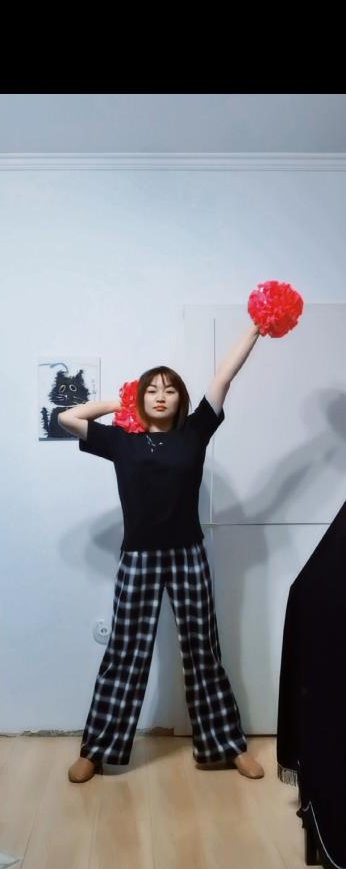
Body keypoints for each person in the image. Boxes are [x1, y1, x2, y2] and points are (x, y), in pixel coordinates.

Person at [59, 324, 265, 783]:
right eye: (151, 389)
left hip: (188, 554)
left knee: (203, 650)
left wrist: (254, 328)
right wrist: (118, 404)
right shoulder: (121, 442)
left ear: (180, 400)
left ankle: (227, 746)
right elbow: (67, 418)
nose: (160, 396)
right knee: (125, 652)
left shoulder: (194, 433)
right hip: (138, 558)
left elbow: (224, 377)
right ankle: (97, 750)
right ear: (141, 398)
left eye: (169, 390)